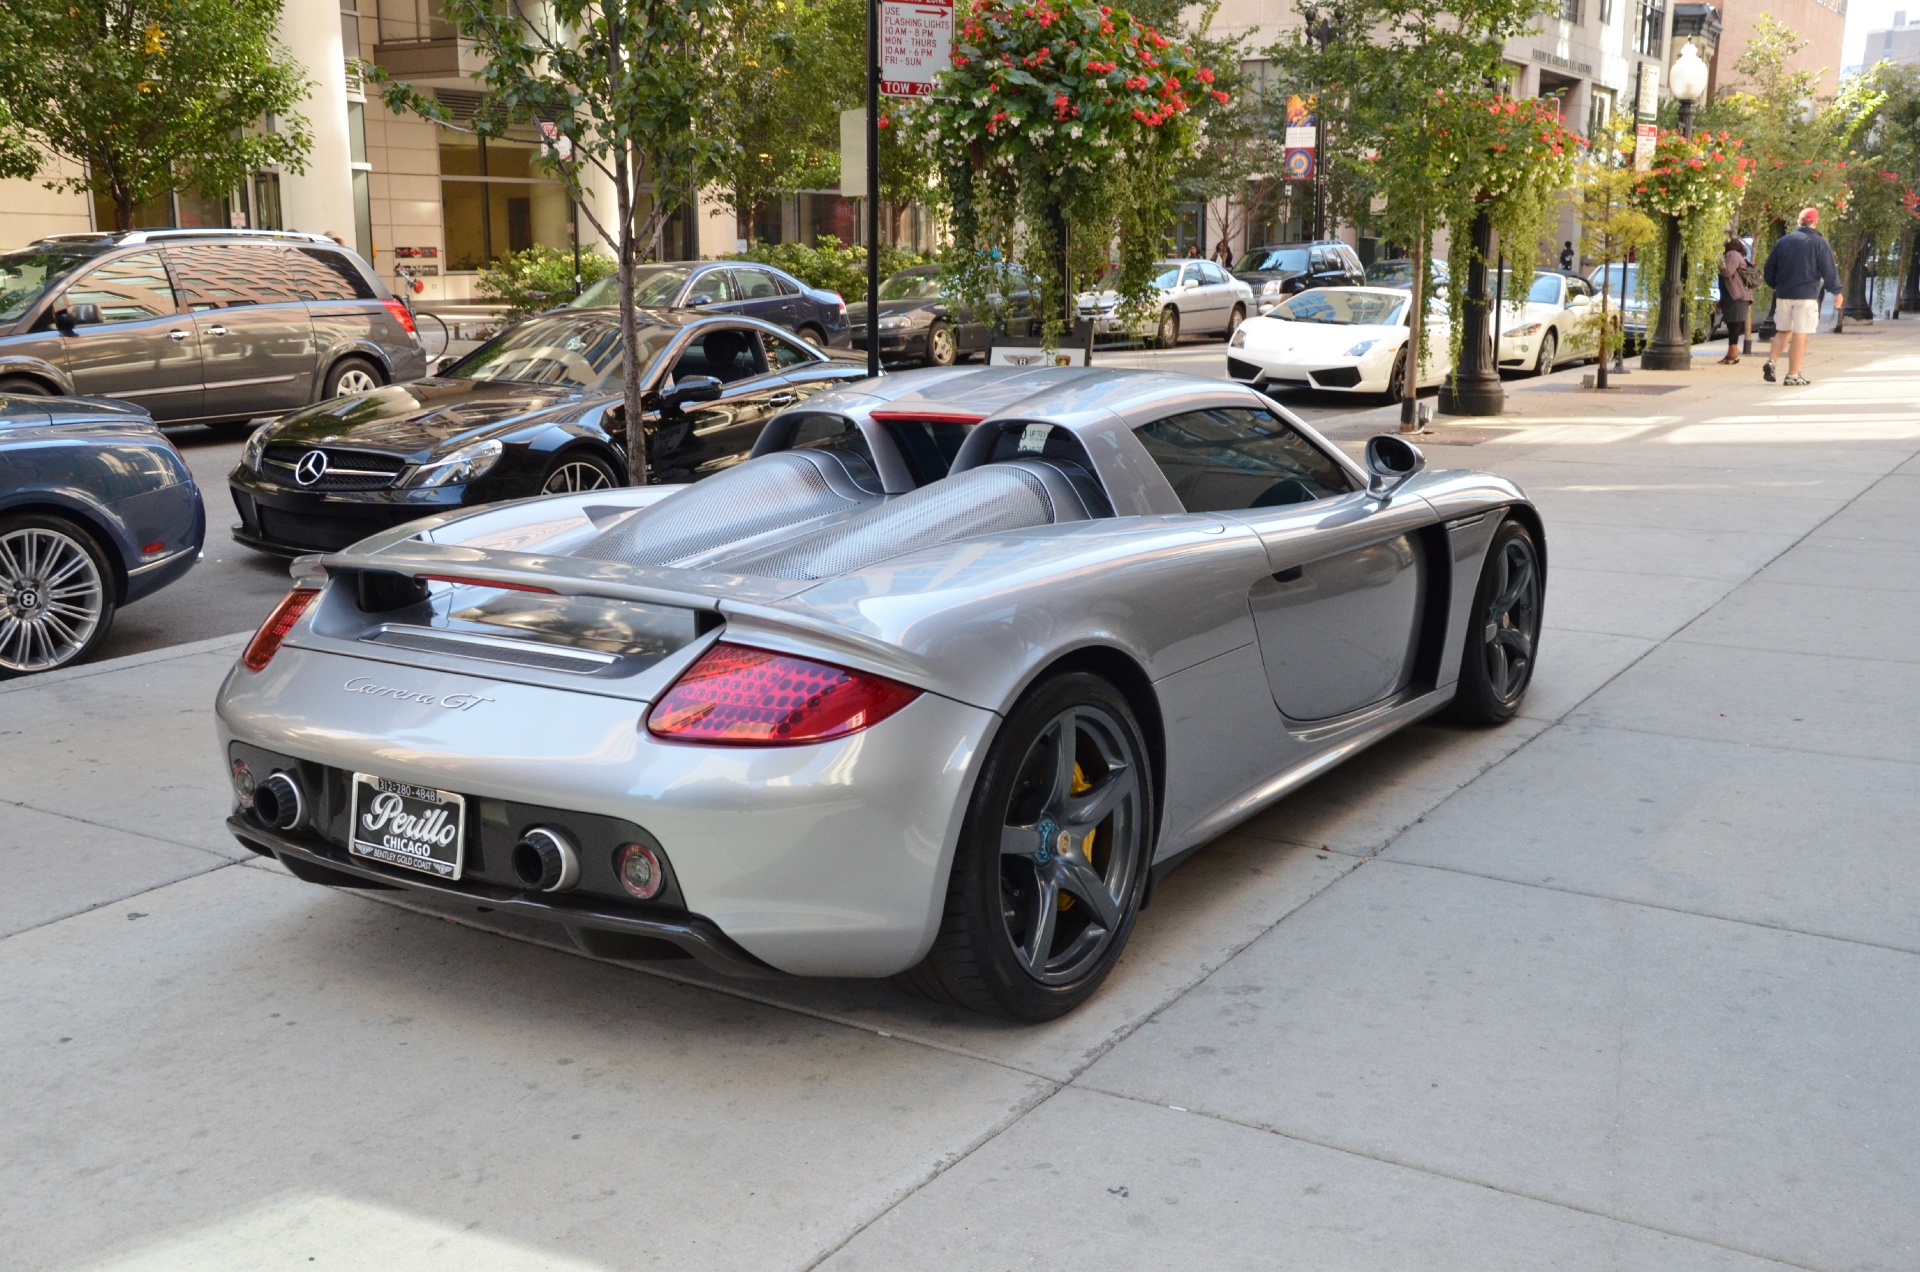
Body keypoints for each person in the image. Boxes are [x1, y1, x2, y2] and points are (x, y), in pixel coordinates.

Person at [1762, 207, 1842, 386]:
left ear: (1798, 222)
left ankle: (1771, 361)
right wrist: (1836, 291)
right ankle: (1793, 374)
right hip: (1806, 295)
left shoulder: (1783, 241)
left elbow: (1769, 269)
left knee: (1783, 330)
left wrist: (1776, 285)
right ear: (1815, 222)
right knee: (1800, 333)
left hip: (1783, 295)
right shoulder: (1819, 243)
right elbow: (1828, 270)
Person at [1716, 236, 1753, 365]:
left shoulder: (1732, 254)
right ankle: (1732, 353)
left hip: (1736, 296)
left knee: (1734, 325)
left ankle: (1732, 355)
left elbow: (1728, 272)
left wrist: (1718, 265)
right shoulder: (1739, 256)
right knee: (1734, 325)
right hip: (1739, 296)